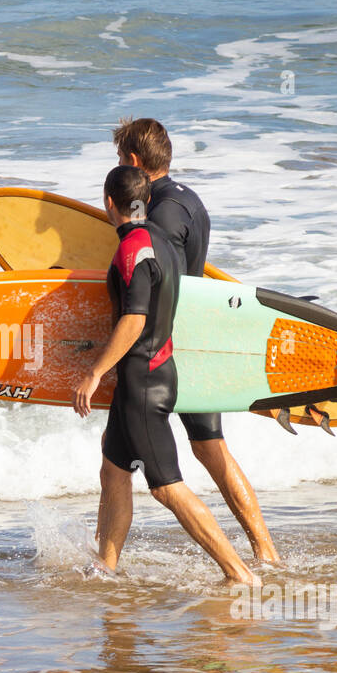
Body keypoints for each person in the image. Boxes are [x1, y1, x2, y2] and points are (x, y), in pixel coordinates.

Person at [72, 165, 259, 586]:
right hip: (158, 370)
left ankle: (239, 573)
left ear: (108, 203)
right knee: (114, 469)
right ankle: (106, 565)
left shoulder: (132, 249)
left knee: (166, 486)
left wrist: (95, 372)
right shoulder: (164, 244)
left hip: (142, 381)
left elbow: (134, 319)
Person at [112, 118, 280, 566]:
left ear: (132, 161)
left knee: (178, 471)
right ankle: (265, 552)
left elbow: (150, 277)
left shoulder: (160, 214)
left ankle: (245, 565)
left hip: (169, 349)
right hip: (192, 342)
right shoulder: (188, 200)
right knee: (208, 446)